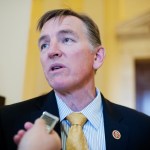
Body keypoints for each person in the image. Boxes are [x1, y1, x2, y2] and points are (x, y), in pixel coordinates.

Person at [0, 8, 150, 150]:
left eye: (66, 40)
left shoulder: (143, 128)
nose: (51, 51)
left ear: (97, 57)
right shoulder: (6, 121)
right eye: (44, 45)